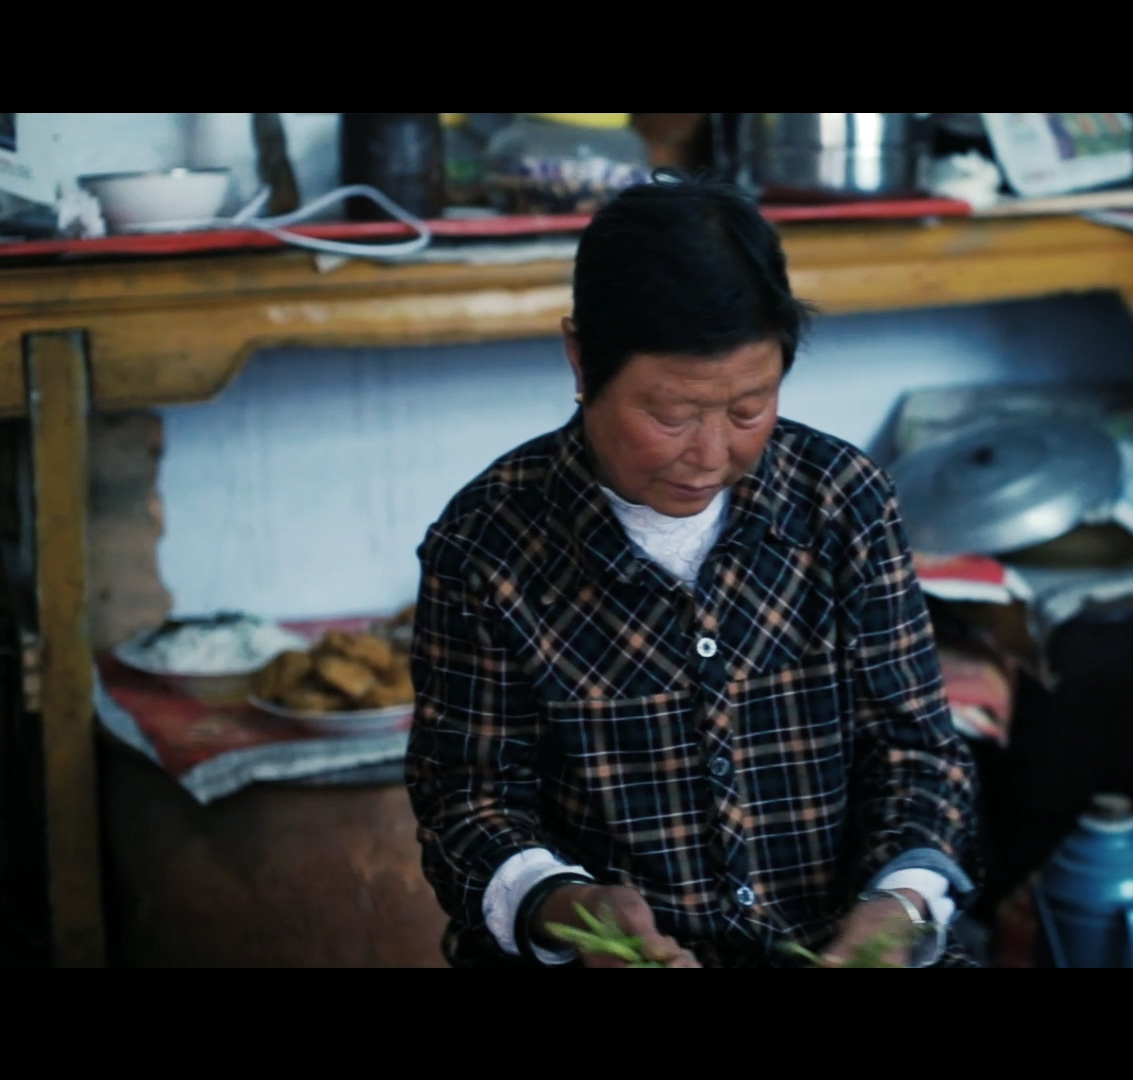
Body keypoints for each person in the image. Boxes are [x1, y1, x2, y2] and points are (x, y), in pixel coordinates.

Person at [405, 173, 979, 968]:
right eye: (671, 415)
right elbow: (469, 805)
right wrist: (568, 909)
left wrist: (900, 905)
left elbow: (918, 754)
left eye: (749, 409)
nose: (711, 455)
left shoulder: (843, 501)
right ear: (581, 360)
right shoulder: (488, 543)